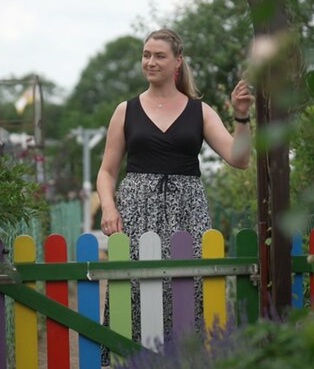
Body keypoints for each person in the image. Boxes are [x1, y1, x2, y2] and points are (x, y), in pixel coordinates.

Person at [96, 27, 253, 351]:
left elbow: (239, 159)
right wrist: (109, 208)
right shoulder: (125, 111)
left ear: (177, 62)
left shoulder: (199, 110)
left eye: (159, 56)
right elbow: (107, 171)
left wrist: (241, 116)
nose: (150, 62)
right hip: (137, 212)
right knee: (136, 291)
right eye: (146, 55)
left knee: (189, 288)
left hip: (187, 213)